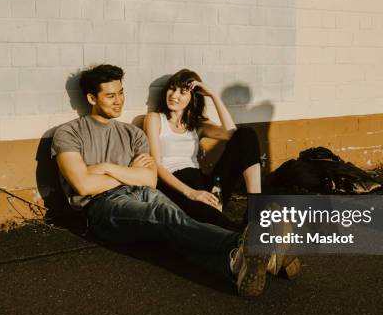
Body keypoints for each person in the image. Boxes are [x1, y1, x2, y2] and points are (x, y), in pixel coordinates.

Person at [51, 64, 278, 297]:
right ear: (91, 98)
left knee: (178, 224)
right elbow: (84, 186)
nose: (118, 101)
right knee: (166, 218)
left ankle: (236, 264)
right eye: (110, 95)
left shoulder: (132, 134)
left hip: (145, 191)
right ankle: (248, 248)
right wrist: (129, 173)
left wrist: (105, 168)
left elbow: (149, 179)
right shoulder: (69, 133)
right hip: (102, 205)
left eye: (121, 93)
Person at [144, 69, 300, 279]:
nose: (174, 95)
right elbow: (158, 166)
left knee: (247, 134)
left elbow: (232, 134)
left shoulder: (196, 124)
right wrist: (191, 193)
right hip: (176, 187)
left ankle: (256, 213)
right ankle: (265, 249)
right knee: (210, 218)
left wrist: (214, 96)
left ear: (193, 98)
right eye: (172, 89)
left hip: (204, 185)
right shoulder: (155, 119)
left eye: (183, 92)